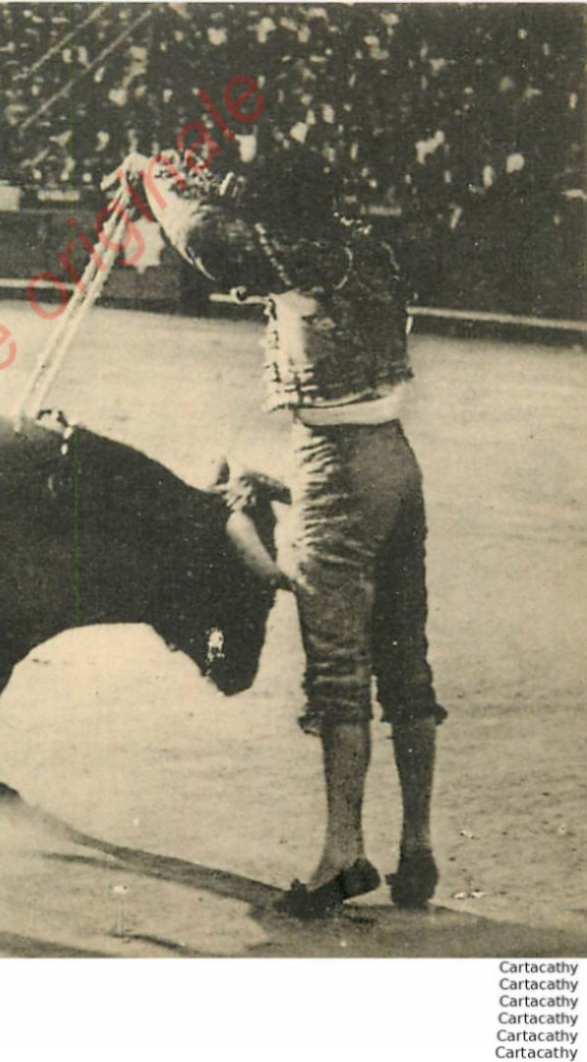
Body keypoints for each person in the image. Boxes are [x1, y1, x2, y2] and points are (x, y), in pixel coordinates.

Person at [116, 147, 447, 918]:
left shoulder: (298, 251)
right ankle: (419, 846)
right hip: (394, 460)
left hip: (336, 462)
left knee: (337, 669)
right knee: (405, 657)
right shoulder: (361, 244)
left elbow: (203, 237)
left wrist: (150, 173)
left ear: (279, 210)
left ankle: (342, 855)